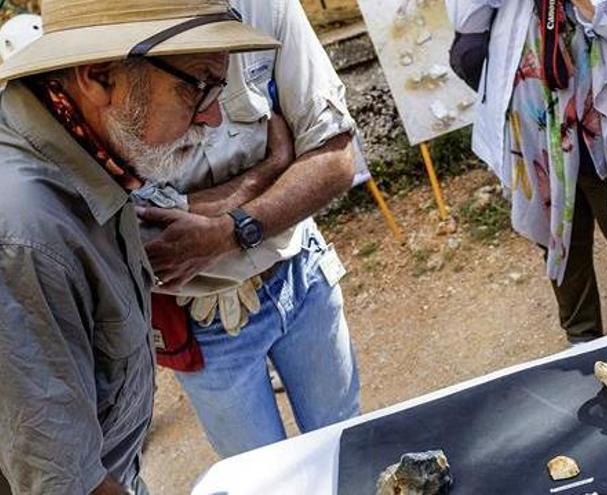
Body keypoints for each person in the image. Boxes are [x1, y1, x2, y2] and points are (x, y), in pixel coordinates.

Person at [0, 0, 279, 493]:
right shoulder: (25, 234)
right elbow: (67, 485)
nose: (213, 117)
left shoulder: (92, 148)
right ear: (100, 76)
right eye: (197, 86)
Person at [137, 0, 361, 458]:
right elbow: (141, 232)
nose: (210, 113)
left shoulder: (266, 6)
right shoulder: (112, 33)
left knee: (347, 448)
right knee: (261, 476)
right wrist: (272, 169)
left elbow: (334, 156)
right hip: (201, 314)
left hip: (300, 268)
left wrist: (226, 229)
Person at [448, 0, 607, 342]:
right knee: (559, 243)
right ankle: (582, 349)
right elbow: (467, 20)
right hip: (533, 117)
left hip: (601, 113)